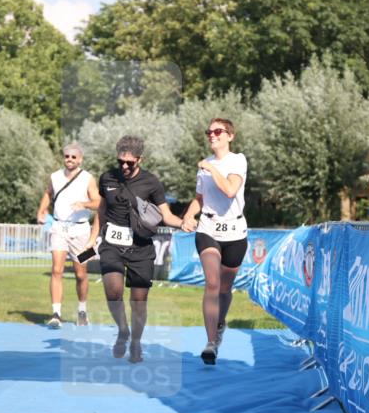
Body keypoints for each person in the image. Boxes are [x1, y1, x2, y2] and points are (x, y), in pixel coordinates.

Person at [86, 135, 186, 363]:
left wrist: (183, 222)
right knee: (113, 291)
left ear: (140, 159)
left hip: (140, 247)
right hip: (112, 244)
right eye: (120, 161)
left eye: (129, 162)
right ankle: (123, 330)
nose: (124, 166)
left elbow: (166, 215)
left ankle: (136, 342)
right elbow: (101, 211)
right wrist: (93, 239)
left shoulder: (151, 182)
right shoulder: (107, 178)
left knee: (139, 301)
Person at [180, 118, 248, 365]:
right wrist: (189, 215)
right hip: (208, 227)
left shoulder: (237, 160)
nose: (212, 135)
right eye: (208, 131)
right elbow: (200, 197)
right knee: (211, 281)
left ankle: (219, 325)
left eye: (217, 131)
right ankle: (210, 343)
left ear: (230, 135)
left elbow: (230, 190)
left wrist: (211, 170)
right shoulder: (205, 165)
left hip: (235, 232)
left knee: (224, 289)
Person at [36, 143, 100, 328]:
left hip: (82, 231)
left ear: (80, 159)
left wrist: (84, 204)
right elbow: (48, 193)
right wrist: (41, 211)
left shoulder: (88, 178)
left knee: (81, 274)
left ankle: (82, 311)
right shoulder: (55, 177)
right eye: (67, 156)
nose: (70, 159)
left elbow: (98, 202)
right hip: (58, 228)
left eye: (73, 157)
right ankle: (56, 314)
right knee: (57, 270)